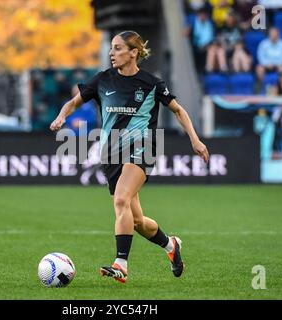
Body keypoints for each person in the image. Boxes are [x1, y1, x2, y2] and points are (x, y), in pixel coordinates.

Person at [50, 30, 209, 283]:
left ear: (134, 52)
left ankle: (120, 264)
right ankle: (171, 246)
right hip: (111, 150)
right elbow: (73, 103)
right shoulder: (102, 80)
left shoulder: (151, 83)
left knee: (121, 199)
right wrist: (62, 116)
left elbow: (178, 110)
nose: (112, 53)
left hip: (143, 145)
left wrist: (195, 139)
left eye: (118, 48)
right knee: (136, 221)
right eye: (111, 48)